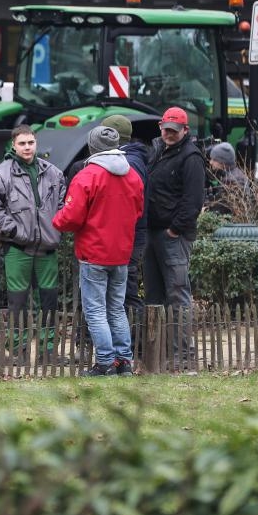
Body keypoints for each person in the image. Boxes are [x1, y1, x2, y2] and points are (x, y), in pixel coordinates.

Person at [53, 126, 144, 376]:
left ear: (92, 147)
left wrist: (55, 220)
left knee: (95, 311)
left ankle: (105, 362)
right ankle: (124, 361)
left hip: (94, 253)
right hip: (121, 254)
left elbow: (70, 218)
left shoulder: (87, 175)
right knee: (116, 308)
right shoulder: (132, 175)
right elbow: (137, 212)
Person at [0, 125, 66, 364]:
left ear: (36, 143)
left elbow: (63, 207)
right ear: (13, 145)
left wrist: (53, 229)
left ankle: (47, 351)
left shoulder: (53, 173)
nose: (27, 147)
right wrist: (18, 233)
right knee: (17, 302)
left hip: (47, 249)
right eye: (22, 143)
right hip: (17, 249)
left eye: (31, 143)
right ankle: (16, 351)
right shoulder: (1, 174)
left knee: (49, 302)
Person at [144, 106, 206, 371]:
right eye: (166, 129)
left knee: (178, 296)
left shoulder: (191, 158)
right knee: (155, 297)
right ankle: (158, 355)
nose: (169, 134)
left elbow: (193, 201)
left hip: (172, 235)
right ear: (161, 127)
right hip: (154, 232)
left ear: (185, 131)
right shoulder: (157, 150)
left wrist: (175, 229)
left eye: (174, 131)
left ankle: (183, 357)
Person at [99, 115, 150, 349]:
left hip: (128, 235)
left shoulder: (130, 162)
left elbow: (131, 200)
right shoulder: (132, 158)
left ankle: (135, 345)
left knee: (126, 293)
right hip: (129, 234)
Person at [206, 141, 250, 215]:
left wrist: (206, 210)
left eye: (214, 159)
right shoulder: (236, 174)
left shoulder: (230, 181)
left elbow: (220, 210)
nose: (210, 162)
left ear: (223, 162)